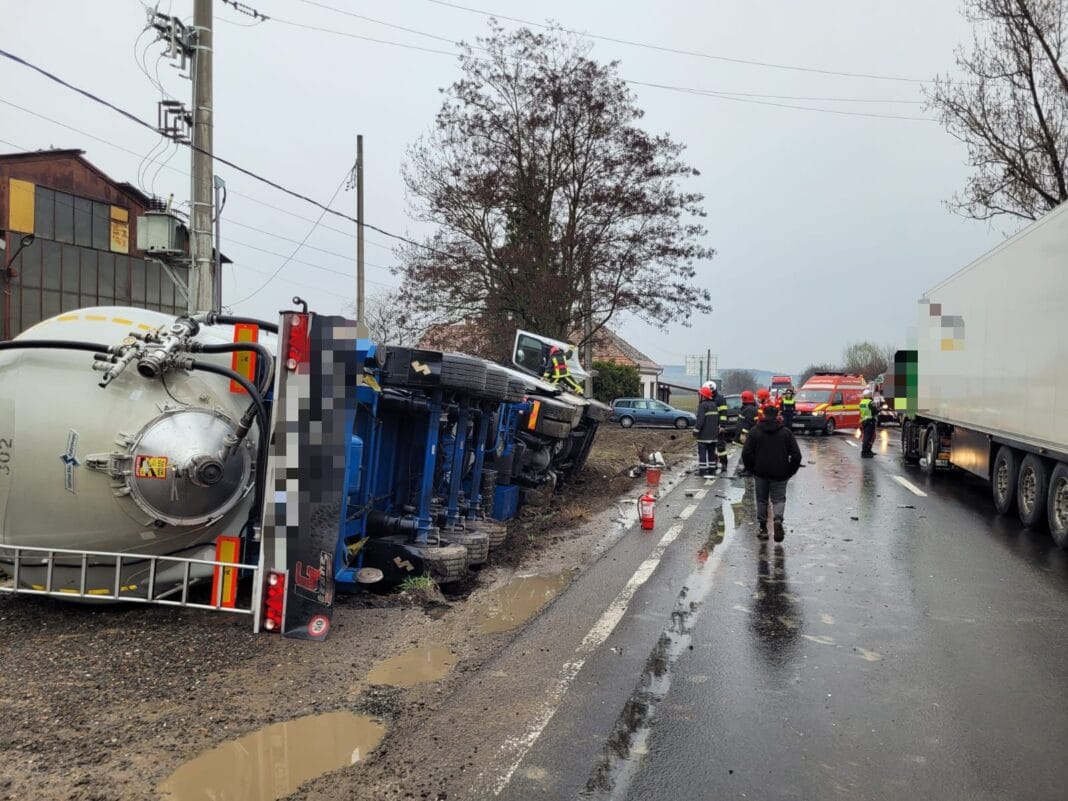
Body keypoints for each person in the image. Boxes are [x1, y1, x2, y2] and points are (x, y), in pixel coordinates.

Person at [742, 403, 803, 542]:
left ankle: (763, 528)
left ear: (763, 414)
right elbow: (796, 455)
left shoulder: (755, 431)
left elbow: (746, 453)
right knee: (779, 499)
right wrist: (790, 471)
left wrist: (752, 468)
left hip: (760, 472)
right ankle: (778, 519)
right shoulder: (786, 432)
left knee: (762, 500)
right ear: (777, 416)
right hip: (780, 472)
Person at [694, 385, 721, 476]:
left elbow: (700, 420)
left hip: (703, 436)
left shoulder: (702, 405)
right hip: (713, 435)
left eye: (701, 395)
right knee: (711, 453)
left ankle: (702, 471)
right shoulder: (714, 405)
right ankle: (712, 470)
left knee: (702, 453)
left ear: (703, 396)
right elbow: (717, 420)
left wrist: (696, 431)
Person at [733, 390, 759, 476]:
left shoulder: (750, 409)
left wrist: (744, 434)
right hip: (745, 434)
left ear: (745, 399)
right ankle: (747, 468)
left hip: (747, 435)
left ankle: (750, 470)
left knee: (748, 454)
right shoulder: (748, 408)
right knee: (745, 453)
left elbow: (750, 424)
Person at [859, 387, 877, 458]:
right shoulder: (870, 402)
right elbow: (874, 411)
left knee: (868, 437)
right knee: (868, 437)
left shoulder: (862, 402)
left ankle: (868, 451)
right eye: (870, 394)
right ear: (869, 395)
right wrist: (880, 409)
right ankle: (865, 452)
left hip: (864, 421)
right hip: (870, 421)